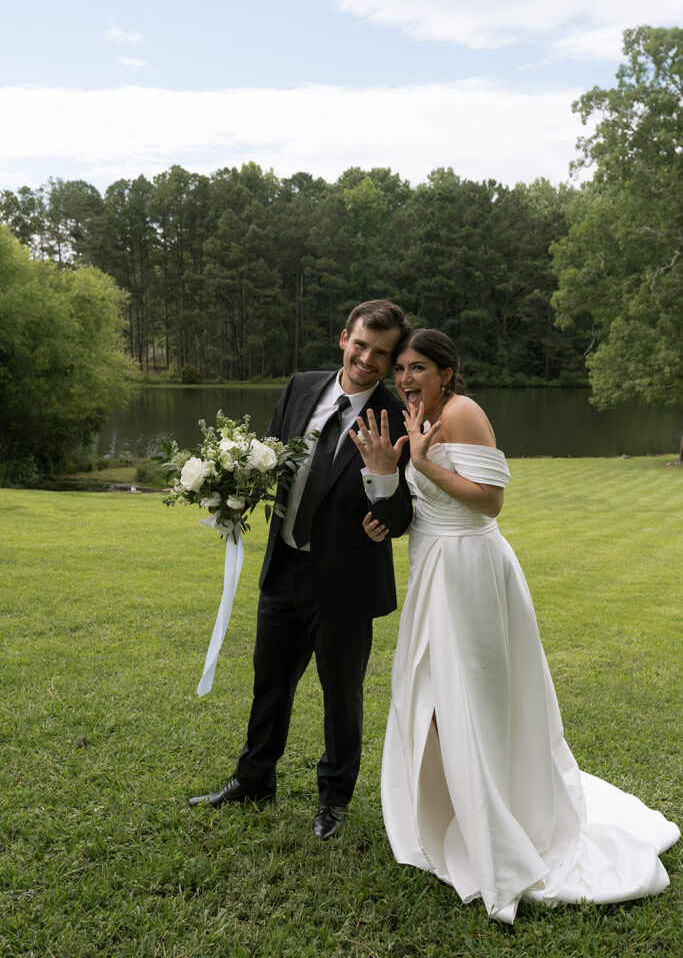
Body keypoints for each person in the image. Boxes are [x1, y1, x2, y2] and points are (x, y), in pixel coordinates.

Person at [355, 328, 679, 923]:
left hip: (471, 570)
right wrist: (389, 485)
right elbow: (416, 502)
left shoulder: (463, 412)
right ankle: (447, 806)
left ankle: (498, 814)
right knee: (430, 690)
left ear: (446, 372)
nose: (405, 376)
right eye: (400, 366)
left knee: (472, 692)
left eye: (418, 366)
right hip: (432, 566)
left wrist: (422, 460)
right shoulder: (413, 412)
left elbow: (489, 500)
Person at [189, 300, 414, 841]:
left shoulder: (397, 416)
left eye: (382, 354)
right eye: (361, 345)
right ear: (344, 338)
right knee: (269, 682)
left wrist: (383, 482)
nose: (367, 359)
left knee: (342, 697)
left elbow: (402, 516)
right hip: (284, 563)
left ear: (390, 361)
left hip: (347, 581)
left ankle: (334, 801)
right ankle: (253, 780)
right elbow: (265, 455)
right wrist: (232, 489)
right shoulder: (300, 387)